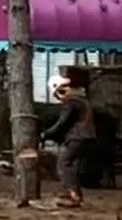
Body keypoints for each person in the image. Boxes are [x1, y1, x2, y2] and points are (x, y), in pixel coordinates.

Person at [41, 74, 95, 209]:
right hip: (86, 136)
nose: (58, 99)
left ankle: (72, 195)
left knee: (63, 163)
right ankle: (74, 193)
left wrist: (45, 134)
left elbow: (62, 123)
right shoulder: (82, 100)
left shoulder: (71, 102)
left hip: (76, 137)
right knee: (72, 165)